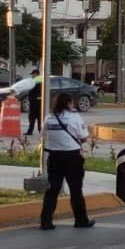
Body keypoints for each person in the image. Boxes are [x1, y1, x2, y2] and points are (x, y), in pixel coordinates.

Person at [40, 92, 93, 230]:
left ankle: (45, 221)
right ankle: (81, 220)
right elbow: (84, 137)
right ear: (69, 103)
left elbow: (43, 135)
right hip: (72, 157)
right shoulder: (74, 117)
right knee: (76, 190)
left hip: (54, 157)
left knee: (52, 190)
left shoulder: (49, 117)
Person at [26, 69, 42, 135]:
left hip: (37, 104)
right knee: (32, 118)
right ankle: (31, 131)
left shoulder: (38, 81)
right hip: (34, 103)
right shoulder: (35, 81)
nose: (32, 75)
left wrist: (36, 98)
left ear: (36, 74)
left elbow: (37, 93)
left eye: (33, 74)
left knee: (38, 118)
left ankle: (39, 131)